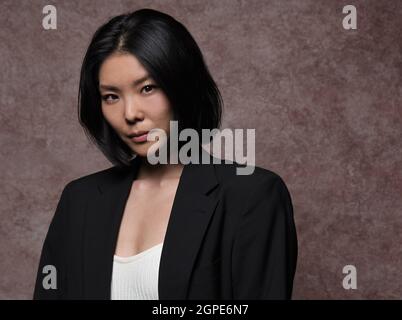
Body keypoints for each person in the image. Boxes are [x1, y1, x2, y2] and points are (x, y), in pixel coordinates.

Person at [33, 8, 297, 300]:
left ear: (181, 86)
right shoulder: (79, 201)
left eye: (147, 88)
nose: (130, 114)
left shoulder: (252, 195)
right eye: (111, 96)